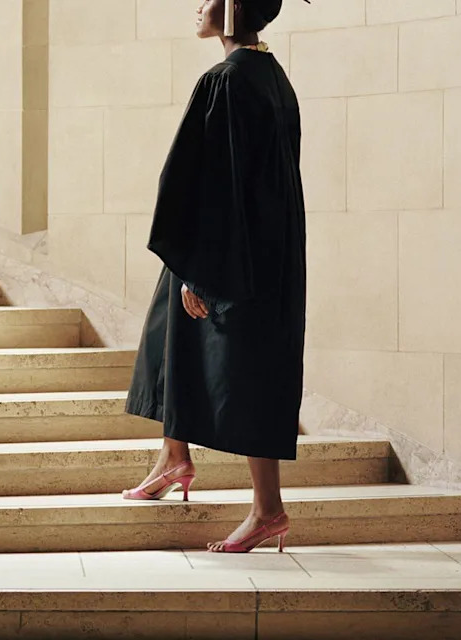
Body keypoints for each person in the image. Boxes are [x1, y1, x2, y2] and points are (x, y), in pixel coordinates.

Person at [122, 0, 307, 554]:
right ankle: (173, 456)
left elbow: (212, 183)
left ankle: (268, 510)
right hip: (266, 247)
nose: (194, 6)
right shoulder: (272, 76)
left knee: (249, 370)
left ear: (229, 9)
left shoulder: (226, 81)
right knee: (170, 333)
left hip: (231, 250)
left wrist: (200, 269)